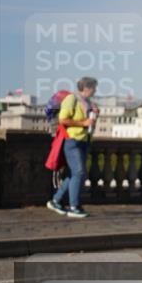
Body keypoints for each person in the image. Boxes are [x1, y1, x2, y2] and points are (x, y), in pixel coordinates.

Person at [46, 77, 98, 218]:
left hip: (84, 141)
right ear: (87, 88)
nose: (96, 90)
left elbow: (89, 123)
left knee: (74, 174)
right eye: (94, 87)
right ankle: (73, 207)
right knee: (79, 173)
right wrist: (84, 123)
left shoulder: (88, 102)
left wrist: (94, 116)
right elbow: (63, 120)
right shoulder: (71, 99)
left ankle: (56, 200)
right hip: (72, 141)